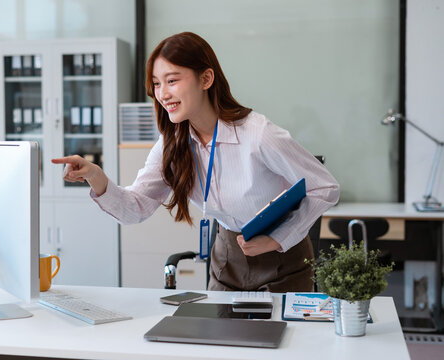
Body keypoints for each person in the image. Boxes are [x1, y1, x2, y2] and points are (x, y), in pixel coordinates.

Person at [52, 31, 340, 292]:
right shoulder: (172, 144)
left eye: (172, 80)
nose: (163, 94)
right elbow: (134, 209)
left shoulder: (258, 134)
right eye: (156, 84)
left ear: (206, 79)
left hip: (283, 263)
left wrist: (278, 238)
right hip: (227, 261)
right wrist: (97, 178)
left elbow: (325, 187)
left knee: (276, 348)